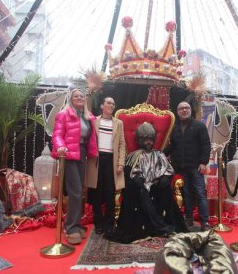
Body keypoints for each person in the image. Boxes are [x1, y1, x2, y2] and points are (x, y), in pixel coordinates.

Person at [106, 122, 187, 243]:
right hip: (140, 187)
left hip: (156, 186)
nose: (148, 142)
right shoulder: (134, 155)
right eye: (145, 140)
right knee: (137, 190)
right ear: (140, 140)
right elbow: (129, 172)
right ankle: (160, 226)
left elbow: (168, 170)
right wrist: (137, 180)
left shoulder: (159, 154)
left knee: (166, 189)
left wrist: (165, 178)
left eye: (150, 139)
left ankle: (163, 224)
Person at [51, 88, 98, 245]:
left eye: (81, 96)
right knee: (75, 191)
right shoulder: (63, 114)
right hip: (69, 155)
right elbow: (56, 135)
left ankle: (76, 224)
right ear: (70, 99)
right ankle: (69, 227)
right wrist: (60, 146)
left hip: (82, 153)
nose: (79, 98)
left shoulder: (87, 116)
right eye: (76, 96)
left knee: (80, 191)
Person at [165, 101, 211, 231]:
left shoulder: (199, 126)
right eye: (181, 108)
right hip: (181, 167)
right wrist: (160, 153)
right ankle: (189, 219)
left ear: (190, 110)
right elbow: (173, 146)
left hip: (196, 167)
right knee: (187, 194)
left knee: (200, 194)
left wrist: (203, 163)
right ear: (178, 112)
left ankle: (205, 222)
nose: (184, 110)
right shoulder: (175, 128)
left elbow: (206, 145)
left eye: (186, 108)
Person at [85, 97, 126, 235]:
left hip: (111, 160)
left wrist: (120, 163)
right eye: (108, 103)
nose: (111, 105)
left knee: (110, 192)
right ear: (102, 105)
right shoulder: (93, 121)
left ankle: (109, 223)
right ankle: (98, 222)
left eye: (113, 103)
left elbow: (122, 144)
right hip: (96, 160)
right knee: (96, 193)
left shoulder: (119, 123)